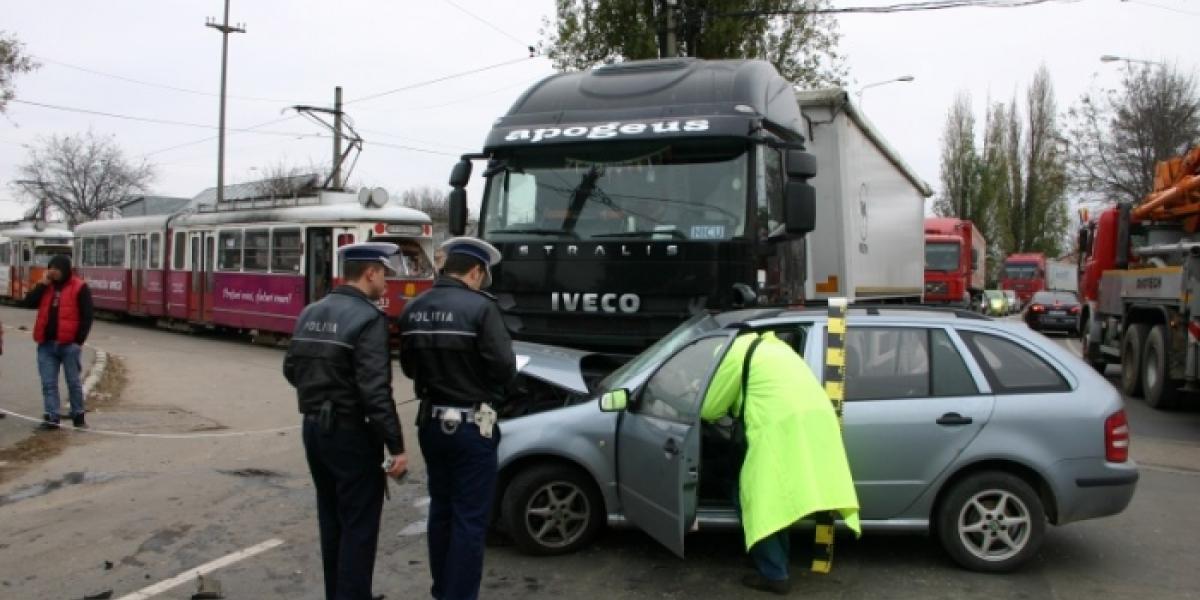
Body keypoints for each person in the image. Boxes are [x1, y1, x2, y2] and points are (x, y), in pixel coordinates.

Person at [283, 241, 408, 600]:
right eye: (384, 275)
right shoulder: (369, 319)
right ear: (370, 273)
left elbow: (291, 369)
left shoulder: (311, 311)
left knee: (331, 517)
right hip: (351, 432)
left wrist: (321, 394)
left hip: (313, 429)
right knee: (359, 525)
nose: (386, 283)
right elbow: (375, 391)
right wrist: (396, 446)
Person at [700, 330, 860, 595]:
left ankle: (774, 573)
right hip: (814, 423)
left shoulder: (731, 353)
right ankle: (775, 559)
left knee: (755, 498)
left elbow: (709, 408)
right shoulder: (775, 348)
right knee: (777, 498)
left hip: (780, 430)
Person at [398, 236, 515, 600]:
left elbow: (408, 367)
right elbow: (504, 369)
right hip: (472, 426)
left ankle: (442, 590)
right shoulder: (482, 309)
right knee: (470, 518)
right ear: (476, 271)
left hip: (431, 424)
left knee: (442, 510)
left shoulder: (414, 308)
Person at [22, 255, 94, 429]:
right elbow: (28, 302)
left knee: (73, 382)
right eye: (51, 268)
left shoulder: (79, 287)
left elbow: (87, 316)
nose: (53, 272)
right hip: (46, 344)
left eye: (56, 268)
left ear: (65, 269)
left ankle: (78, 415)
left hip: (69, 345)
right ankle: (52, 418)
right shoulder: (46, 286)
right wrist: (42, 284)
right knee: (48, 383)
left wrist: (78, 341)